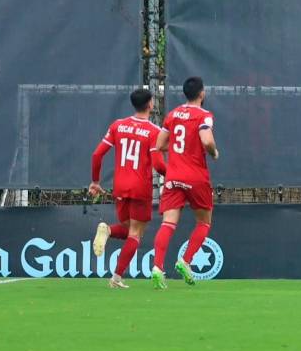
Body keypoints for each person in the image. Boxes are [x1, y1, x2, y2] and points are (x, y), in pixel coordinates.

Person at [89, 88, 166, 288]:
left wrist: (96, 182)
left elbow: (97, 155)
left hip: (120, 186)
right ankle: (116, 278)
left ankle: (107, 231)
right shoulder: (153, 131)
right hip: (140, 187)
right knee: (136, 234)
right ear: (150, 104)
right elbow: (158, 165)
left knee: (126, 228)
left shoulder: (118, 125)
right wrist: (173, 177)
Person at [149, 77, 219, 289]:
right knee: (204, 222)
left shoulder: (173, 114)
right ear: (202, 93)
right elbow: (206, 140)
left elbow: (160, 144)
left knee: (168, 224)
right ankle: (185, 261)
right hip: (196, 176)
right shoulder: (204, 115)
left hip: (173, 176)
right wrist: (214, 152)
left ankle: (157, 268)